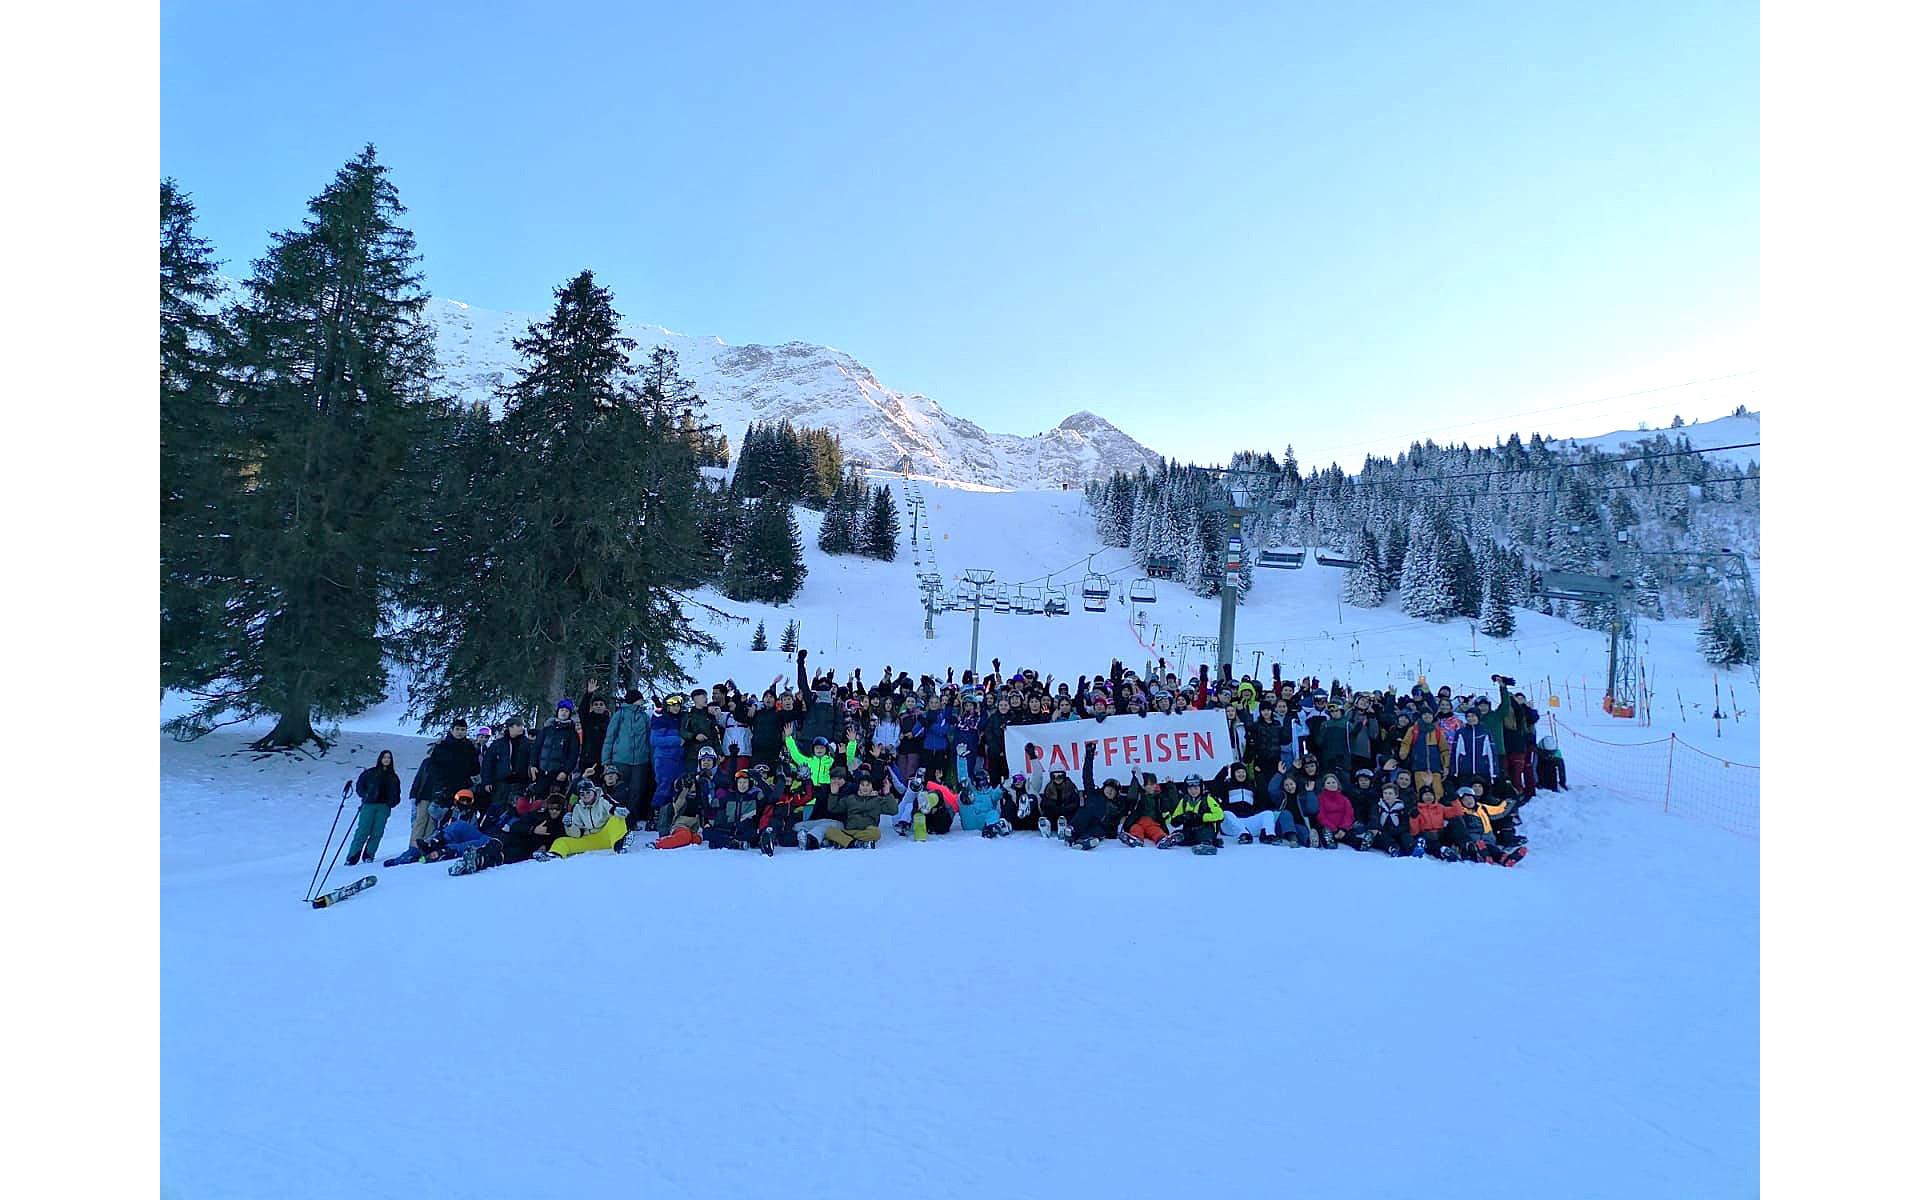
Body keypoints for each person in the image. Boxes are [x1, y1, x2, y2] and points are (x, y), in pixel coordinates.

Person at [411, 720, 481, 849]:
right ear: (452, 730)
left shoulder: (470, 747)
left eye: (463, 730)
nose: (460, 732)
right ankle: (418, 848)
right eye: (457, 729)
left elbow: (474, 768)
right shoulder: (442, 746)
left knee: (459, 818)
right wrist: (440, 786)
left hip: (462, 790)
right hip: (443, 789)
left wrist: (471, 781)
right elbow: (433, 768)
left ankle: (450, 846)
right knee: (436, 820)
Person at [345, 750, 402, 866]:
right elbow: (360, 786)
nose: (386, 760)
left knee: (377, 832)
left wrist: (392, 802)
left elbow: (397, 793)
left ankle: (369, 855)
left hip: (384, 807)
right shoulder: (370, 773)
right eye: (384, 757)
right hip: (369, 805)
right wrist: (366, 794)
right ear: (380, 759)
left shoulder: (393, 777)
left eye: (389, 758)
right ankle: (352, 857)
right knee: (363, 830)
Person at [550, 780, 628, 857]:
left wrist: (617, 810)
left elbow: (613, 806)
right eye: (582, 794)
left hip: (608, 837)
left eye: (588, 792)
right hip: (589, 840)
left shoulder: (603, 799)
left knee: (617, 817)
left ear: (594, 792)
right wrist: (569, 825)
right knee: (561, 841)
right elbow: (577, 834)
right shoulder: (577, 807)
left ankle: (619, 846)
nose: (585, 796)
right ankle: (554, 855)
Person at [602, 691, 652, 810]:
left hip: (640, 760)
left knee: (637, 790)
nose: (642, 701)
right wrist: (606, 761)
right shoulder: (620, 715)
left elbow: (649, 738)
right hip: (620, 759)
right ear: (634, 700)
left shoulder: (644, 716)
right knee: (620, 789)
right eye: (640, 699)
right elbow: (610, 738)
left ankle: (631, 817)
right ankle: (618, 814)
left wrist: (650, 757)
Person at [479, 716, 535, 816]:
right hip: (501, 784)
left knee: (516, 813)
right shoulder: (498, 744)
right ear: (510, 727)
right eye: (518, 725)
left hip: (520, 784)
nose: (522, 728)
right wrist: (487, 781)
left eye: (522, 725)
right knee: (497, 811)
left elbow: (532, 762)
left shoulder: (528, 744)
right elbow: (488, 763)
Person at [1213, 761, 1279, 844]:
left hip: (1249, 822)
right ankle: (1243, 835)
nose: (1241, 774)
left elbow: (1262, 800)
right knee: (1226, 814)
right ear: (1233, 773)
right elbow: (1215, 788)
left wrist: (1259, 776)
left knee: (1268, 813)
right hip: (1232, 825)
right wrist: (1223, 772)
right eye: (1238, 772)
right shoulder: (1227, 786)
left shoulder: (1251, 787)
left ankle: (1268, 835)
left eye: (1243, 772)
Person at [823, 773, 892, 848]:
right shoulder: (850, 798)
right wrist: (834, 794)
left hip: (867, 831)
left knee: (876, 833)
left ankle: (844, 841)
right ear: (858, 786)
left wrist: (888, 793)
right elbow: (833, 808)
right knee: (829, 831)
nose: (865, 788)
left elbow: (893, 810)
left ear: (872, 787)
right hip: (850, 831)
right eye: (862, 785)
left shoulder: (878, 800)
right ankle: (855, 843)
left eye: (868, 785)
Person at [703, 770, 766, 851]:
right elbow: (712, 803)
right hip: (730, 829)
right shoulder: (730, 796)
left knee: (753, 835)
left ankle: (726, 842)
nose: (742, 785)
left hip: (746, 829)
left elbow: (769, 796)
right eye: (740, 782)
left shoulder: (755, 796)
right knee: (707, 832)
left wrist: (759, 779)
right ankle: (734, 843)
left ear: (749, 783)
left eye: (745, 782)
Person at [649, 696, 689, 821]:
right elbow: (654, 740)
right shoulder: (661, 719)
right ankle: (656, 816)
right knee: (664, 786)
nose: (676, 708)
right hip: (664, 758)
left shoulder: (682, 718)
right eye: (673, 706)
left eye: (678, 706)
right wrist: (677, 740)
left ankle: (672, 816)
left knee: (678, 787)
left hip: (679, 759)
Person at [1165, 774, 1224, 849]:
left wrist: (1202, 817)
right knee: (1179, 833)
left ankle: (1207, 843)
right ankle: (1175, 839)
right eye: (1190, 789)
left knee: (1204, 834)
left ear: (1201, 788)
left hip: (1205, 828)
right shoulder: (1184, 800)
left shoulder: (1207, 799)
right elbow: (1175, 817)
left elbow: (1220, 815)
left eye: (1196, 788)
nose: (1193, 791)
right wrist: (1181, 818)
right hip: (1189, 829)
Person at [533, 700, 582, 790]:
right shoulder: (547, 730)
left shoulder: (572, 734)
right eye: (562, 710)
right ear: (558, 712)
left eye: (566, 711)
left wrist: (565, 771)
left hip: (558, 775)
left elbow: (573, 755)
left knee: (556, 797)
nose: (564, 713)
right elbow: (536, 748)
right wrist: (533, 765)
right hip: (541, 772)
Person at [1117, 771, 1173, 847]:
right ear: (1143, 785)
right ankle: (1136, 839)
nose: (1154, 786)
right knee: (1136, 829)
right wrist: (1135, 779)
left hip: (1152, 824)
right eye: (1151, 784)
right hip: (1137, 823)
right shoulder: (1138, 797)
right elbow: (1132, 794)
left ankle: (1162, 840)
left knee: (1156, 830)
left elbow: (1171, 803)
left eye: (1155, 784)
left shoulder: (1158, 798)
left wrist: (1170, 786)